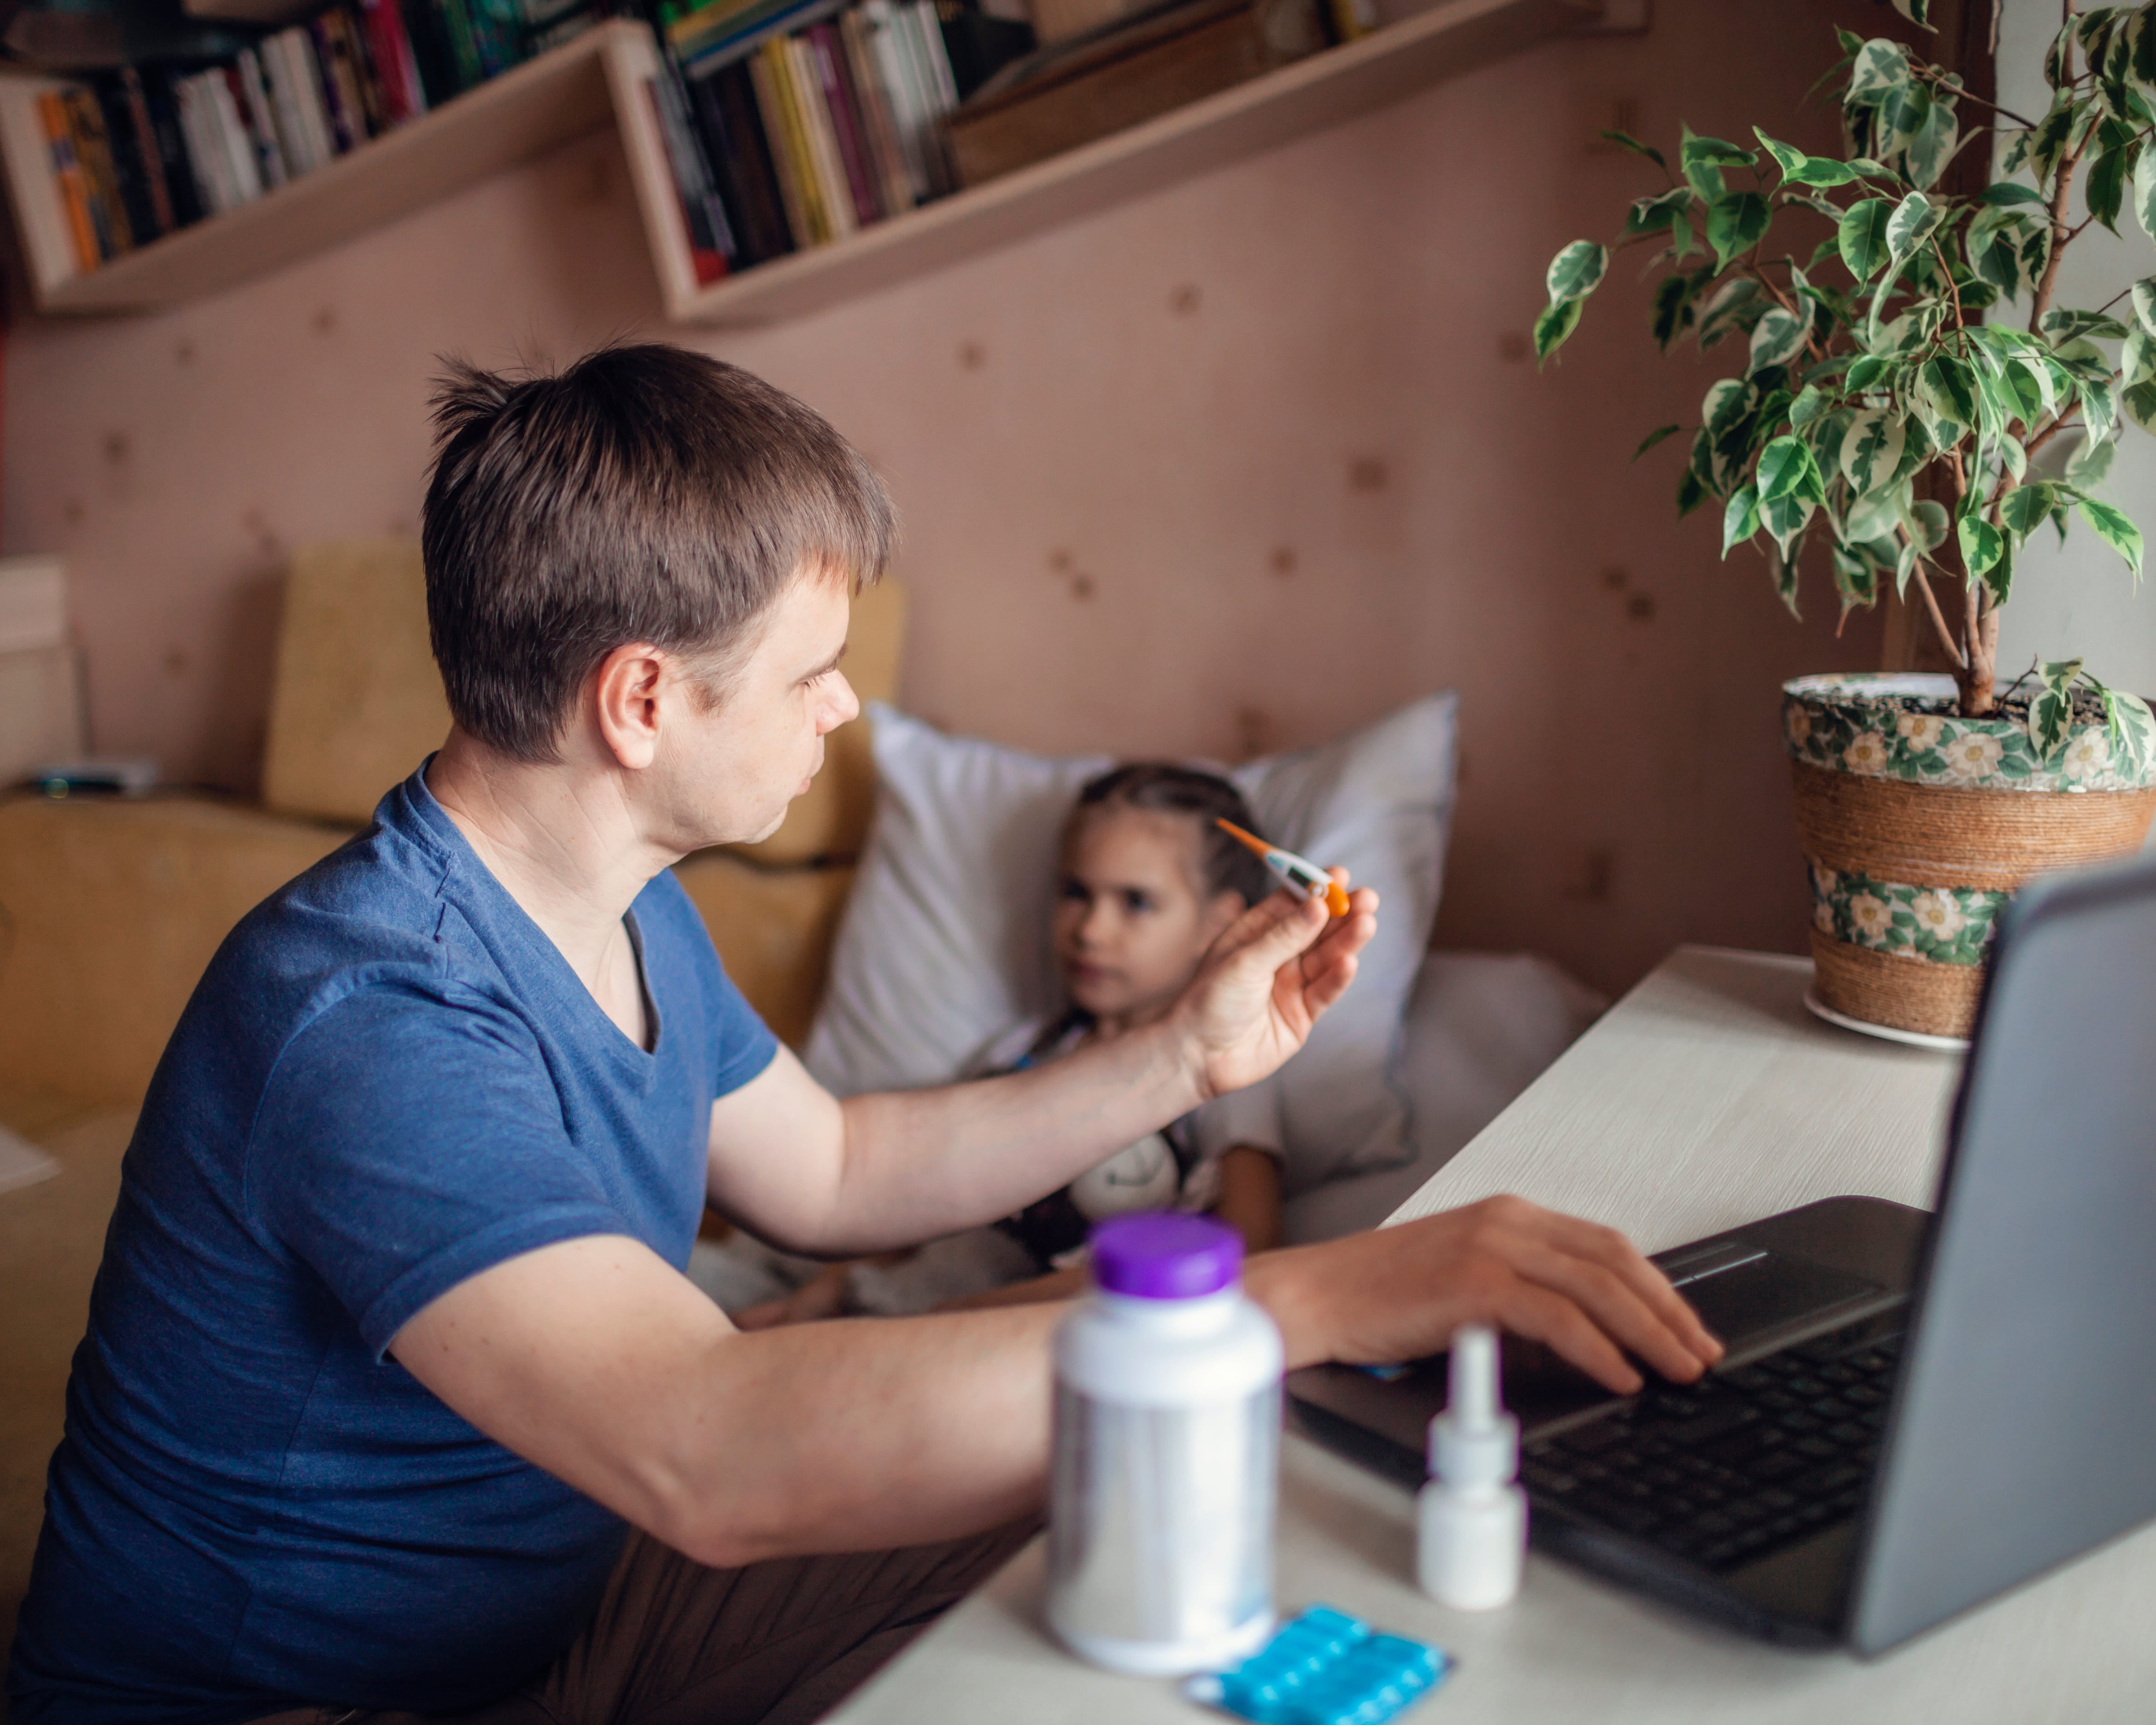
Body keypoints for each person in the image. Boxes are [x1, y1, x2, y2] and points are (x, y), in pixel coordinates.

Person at [5, 344, 1720, 1725]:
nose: (843, 704)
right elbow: (705, 1446)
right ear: (643, 700)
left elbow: (834, 1164)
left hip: (565, 1595)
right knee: (1152, 1376)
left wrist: (1184, 1057)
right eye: (811, 666)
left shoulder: (617, 898)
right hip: (308, 1696)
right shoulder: (365, 1012)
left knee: (1097, 1383)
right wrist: (1336, 1287)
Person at [735, 763, 1289, 1328]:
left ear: (1219, 923)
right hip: (884, 1290)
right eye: (1077, 893)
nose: (1091, 931)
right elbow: (912, 1199)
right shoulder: (1022, 1052)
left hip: (1025, 1324)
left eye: (1137, 903)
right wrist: (823, 1296)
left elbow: (1250, 1249)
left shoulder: (1222, 1073)